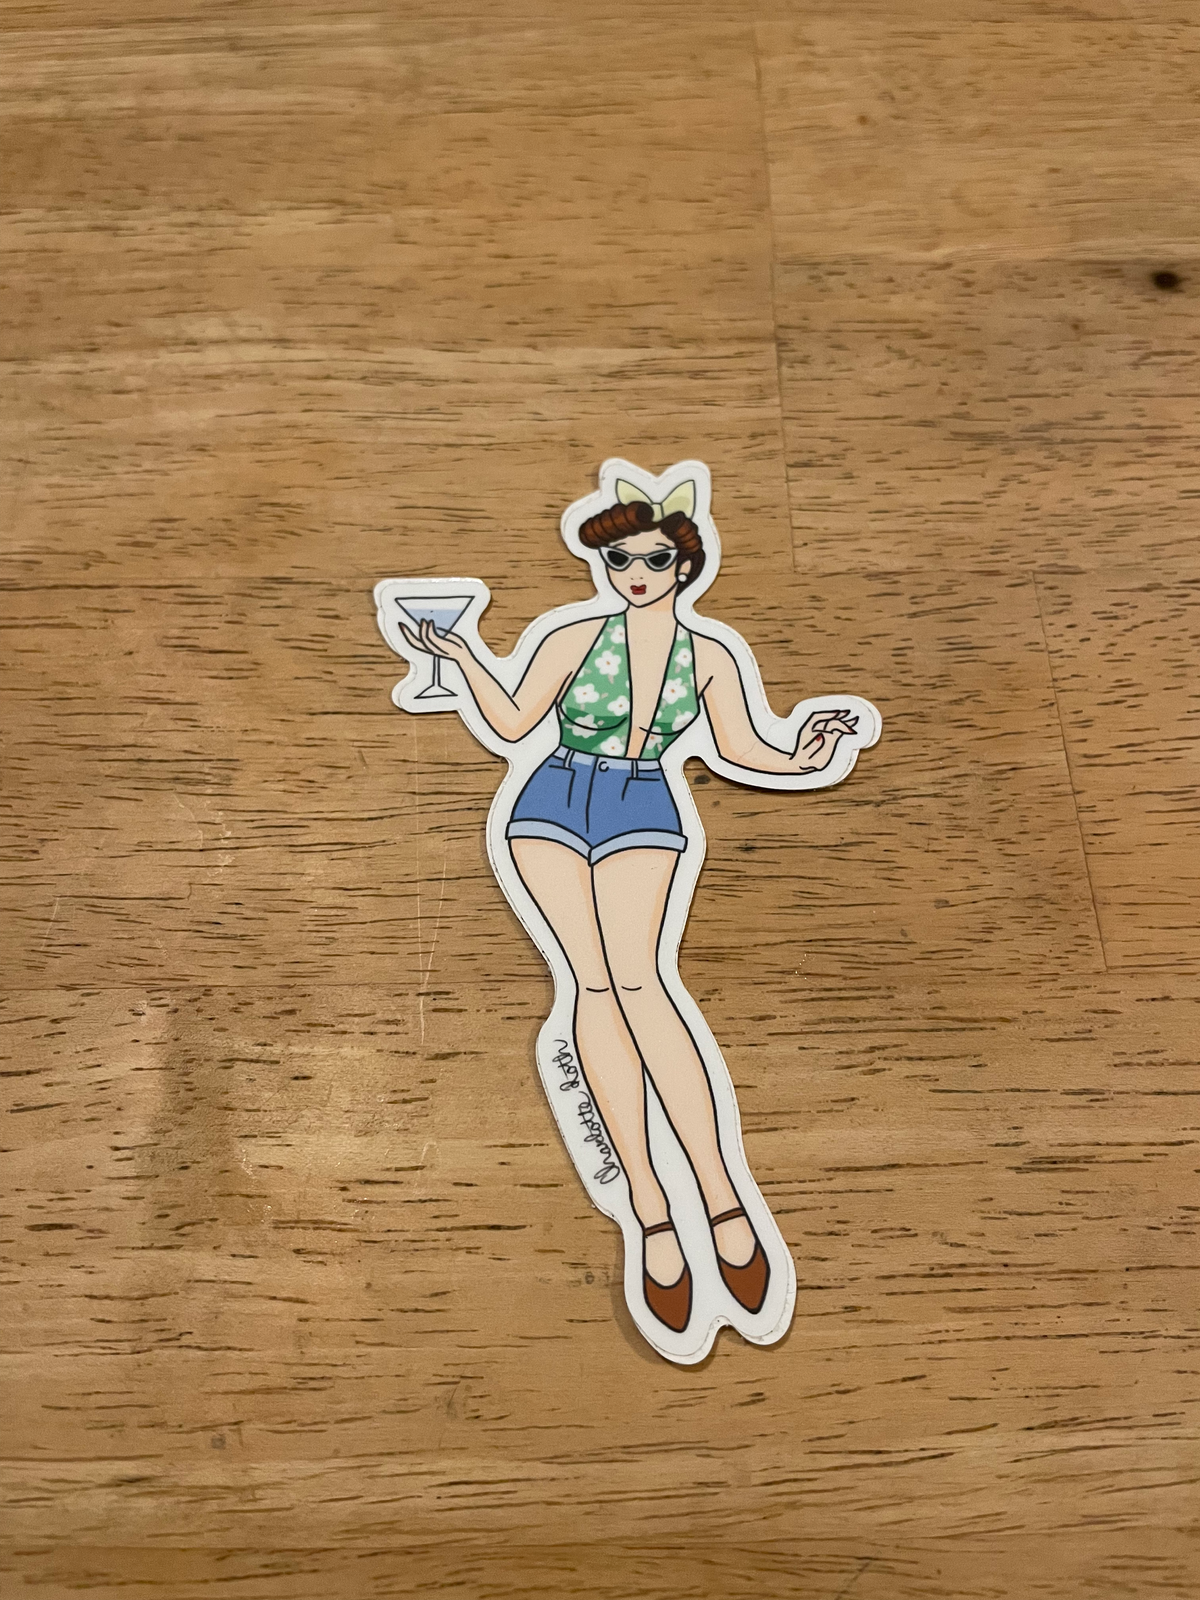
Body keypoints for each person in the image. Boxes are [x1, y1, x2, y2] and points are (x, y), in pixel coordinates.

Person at [400, 483, 859, 1337]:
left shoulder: (709, 655)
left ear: (685, 563)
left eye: (654, 558)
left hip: (643, 801)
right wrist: (461, 654)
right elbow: (513, 723)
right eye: (619, 558)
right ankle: (651, 1210)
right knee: (592, 989)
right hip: (551, 800)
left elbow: (743, 749)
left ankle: (720, 1197)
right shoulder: (573, 636)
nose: (635, 572)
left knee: (643, 985)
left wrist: (809, 753)